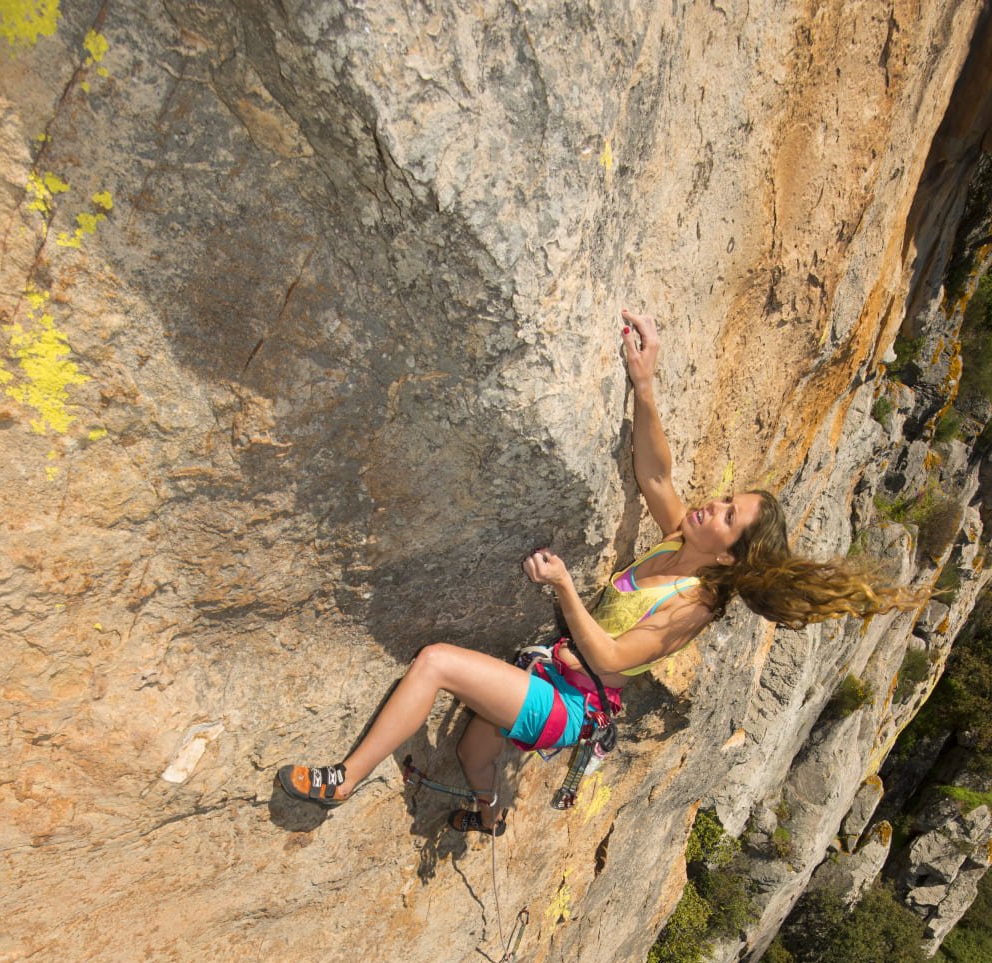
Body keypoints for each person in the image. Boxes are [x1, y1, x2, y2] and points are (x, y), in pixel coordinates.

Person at [279, 309, 919, 830]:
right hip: (553, 682)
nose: (711, 506)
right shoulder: (675, 539)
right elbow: (656, 473)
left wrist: (562, 587)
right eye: (726, 499)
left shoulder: (694, 604)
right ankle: (489, 813)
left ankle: (344, 780)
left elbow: (612, 657)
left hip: (569, 705)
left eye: (726, 516)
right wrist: (645, 384)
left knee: (437, 663)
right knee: (477, 750)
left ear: (729, 555)